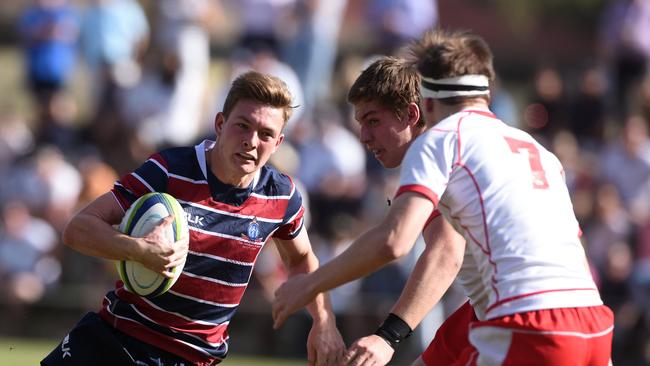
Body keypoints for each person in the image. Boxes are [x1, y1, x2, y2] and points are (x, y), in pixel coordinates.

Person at [272, 29, 614, 365]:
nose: (363, 136)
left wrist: (310, 285)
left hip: (529, 325)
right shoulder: (534, 148)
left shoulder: (440, 139)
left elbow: (405, 243)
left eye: (373, 121)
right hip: (592, 323)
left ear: (424, 105)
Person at [42, 71, 345, 366]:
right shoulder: (169, 169)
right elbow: (78, 228)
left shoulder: (280, 196)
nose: (252, 141)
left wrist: (324, 321)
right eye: (243, 126)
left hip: (191, 358)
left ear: (278, 143)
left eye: (265, 134)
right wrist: (138, 251)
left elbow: (302, 259)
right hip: (117, 339)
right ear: (220, 124)